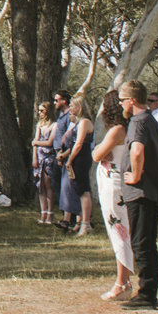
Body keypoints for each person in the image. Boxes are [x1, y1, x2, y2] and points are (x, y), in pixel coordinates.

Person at [115, 80, 158, 310]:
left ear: (132, 101)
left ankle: (147, 294)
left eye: (122, 100)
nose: (120, 105)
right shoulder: (149, 120)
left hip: (142, 193)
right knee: (145, 242)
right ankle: (147, 291)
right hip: (148, 192)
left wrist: (135, 176)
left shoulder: (138, 122)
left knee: (141, 243)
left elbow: (137, 151)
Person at [91, 98, 134, 300]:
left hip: (114, 187)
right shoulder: (128, 127)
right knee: (121, 230)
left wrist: (100, 151)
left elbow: (97, 154)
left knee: (119, 231)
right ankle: (124, 280)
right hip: (116, 184)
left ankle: (122, 282)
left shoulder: (117, 130)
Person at [58, 94, 93, 235]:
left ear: (79, 107)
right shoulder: (78, 122)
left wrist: (70, 160)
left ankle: (86, 223)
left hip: (81, 159)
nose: (70, 108)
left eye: (72, 106)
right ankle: (80, 222)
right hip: (76, 157)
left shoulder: (84, 122)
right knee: (78, 189)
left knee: (83, 191)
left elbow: (78, 144)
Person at [32, 103, 59, 226]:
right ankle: (43, 212)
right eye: (39, 111)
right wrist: (34, 159)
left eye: (42, 110)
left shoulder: (54, 125)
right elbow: (35, 146)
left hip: (49, 158)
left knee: (49, 185)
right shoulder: (39, 125)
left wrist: (36, 142)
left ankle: (50, 213)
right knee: (40, 185)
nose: (40, 113)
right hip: (40, 157)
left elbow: (49, 142)